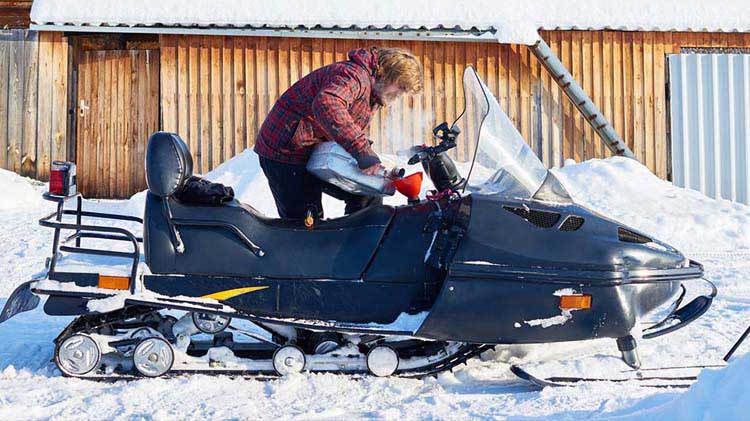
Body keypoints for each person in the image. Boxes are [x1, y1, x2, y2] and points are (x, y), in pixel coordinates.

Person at [254, 47, 423, 219]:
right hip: (286, 151)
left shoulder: (373, 92)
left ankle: (357, 242)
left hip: (315, 150)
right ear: (388, 74)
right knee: (305, 222)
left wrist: (368, 158)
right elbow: (328, 104)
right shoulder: (352, 76)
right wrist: (362, 151)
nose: (398, 94)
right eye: (400, 87)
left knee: (367, 195)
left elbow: (344, 125)